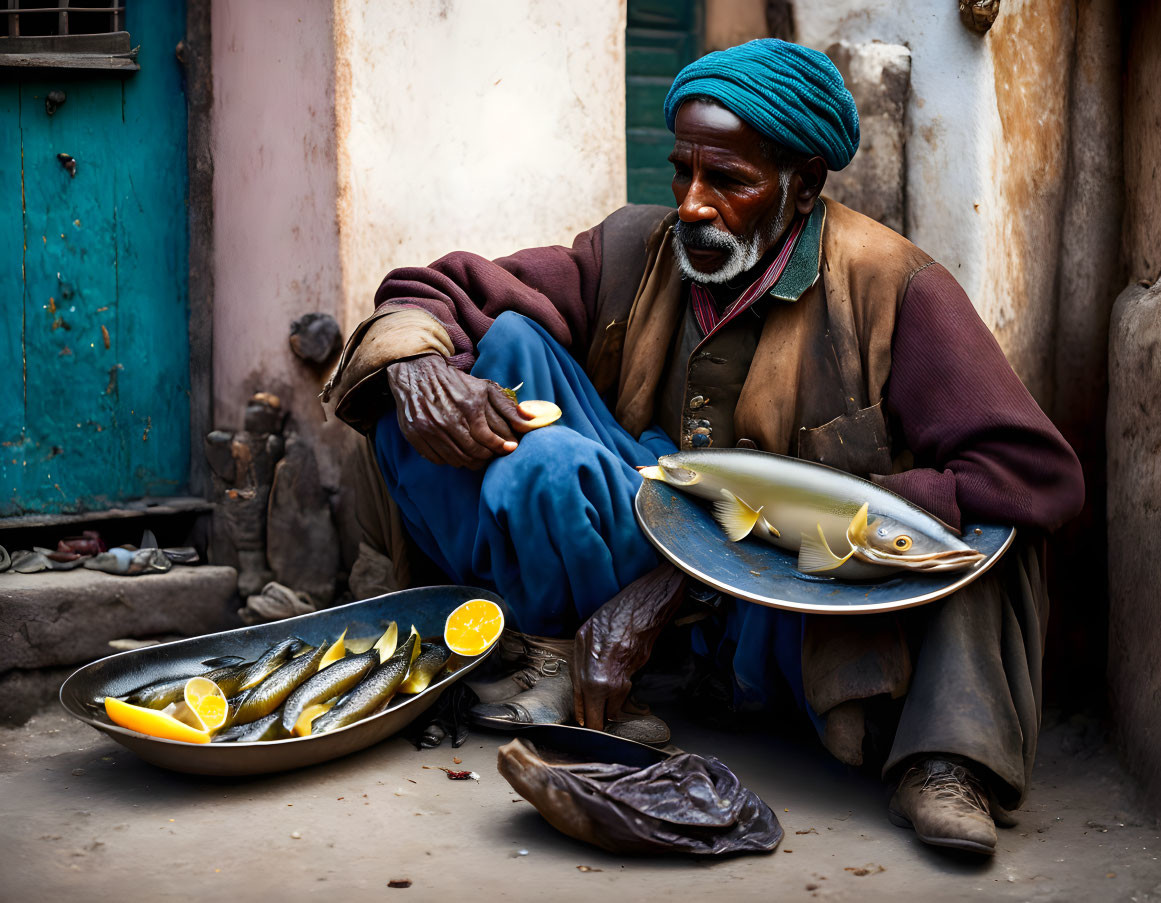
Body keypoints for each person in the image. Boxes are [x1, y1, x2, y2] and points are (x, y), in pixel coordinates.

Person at [324, 39, 1084, 856]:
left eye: (727, 181)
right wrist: (419, 368)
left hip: (793, 592)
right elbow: (441, 287)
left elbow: (1032, 473)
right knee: (495, 344)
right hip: (643, 519)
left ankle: (942, 762)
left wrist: (821, 513)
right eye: (681, 171)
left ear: (802, 187)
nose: (691, 203)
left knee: (982, 538)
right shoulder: (634, 248)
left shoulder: (894, 287)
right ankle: (545, 649)